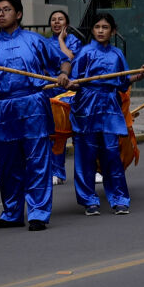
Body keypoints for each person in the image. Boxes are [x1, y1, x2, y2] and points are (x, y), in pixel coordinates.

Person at [0, 0, 69, 232]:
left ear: (19, 14)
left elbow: (63, 61)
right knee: (8, 163)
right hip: (3, 108)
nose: (1, 14)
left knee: (37, 161)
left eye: (6, 9)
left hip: (33, 105)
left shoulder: (35, 40)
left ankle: (38, 213)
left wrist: (63, 74)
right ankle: (12, 212)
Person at [64, 13, 132, 216]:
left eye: (105, 27)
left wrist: (141, 74)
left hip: (109, 106)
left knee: (112, 154)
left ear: (113, 31)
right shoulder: (84, 52)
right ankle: (88, 200)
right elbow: (74, 81)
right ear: (92, 30)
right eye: (97, 27)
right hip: (86, 106)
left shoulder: (117, 54)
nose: (101, 30)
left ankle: (119, 198)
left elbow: (123, 81)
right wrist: (71, 82)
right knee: (86, 155)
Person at [46, 10, 85, 186]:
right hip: (53, 92)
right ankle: (57, 172)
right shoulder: (45, 43)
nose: (56, 22)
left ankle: (86, 171)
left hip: (72, 91)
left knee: (78, 133)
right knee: (57, 134)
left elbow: (69, 57)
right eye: (53, 20)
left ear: (66, 24)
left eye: (60, 19)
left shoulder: (74, 41)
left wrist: (61, 40)